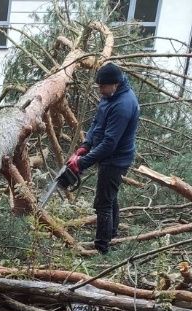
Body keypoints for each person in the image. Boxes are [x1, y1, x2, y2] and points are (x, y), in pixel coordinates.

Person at [66, 63, 140, 254]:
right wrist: (85, 145)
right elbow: (97, 124)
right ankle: (112, 235)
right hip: (109, 154)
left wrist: (81, 163)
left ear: (114, 84)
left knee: (103, 203)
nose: (99, 90)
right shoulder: (109, 96)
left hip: (116, 160)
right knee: (110, 197)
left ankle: (102, 248)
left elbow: (109, 143)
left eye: (102, 86)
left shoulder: (123, 105)